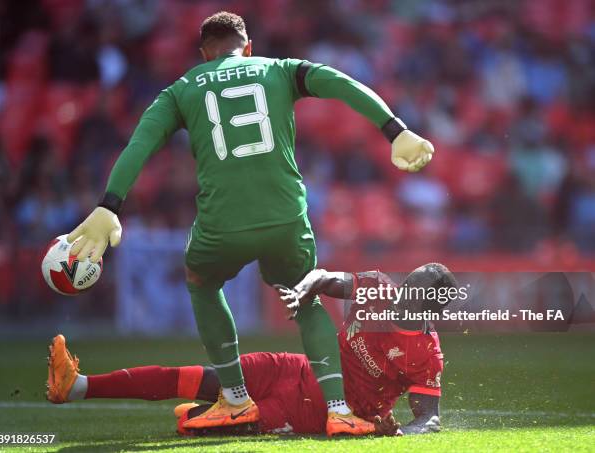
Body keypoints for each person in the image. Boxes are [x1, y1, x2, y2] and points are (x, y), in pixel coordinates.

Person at [64, 11, 435, 436]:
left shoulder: (180, 91)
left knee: (201, 282)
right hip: (285, 216)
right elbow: (340, 82)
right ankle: (338, 410)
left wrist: (109, 204)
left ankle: (237, 400)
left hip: (223, 222)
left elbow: (140, 145)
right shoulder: (279, 69)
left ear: (205, 55)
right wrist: (396, 130)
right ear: (249, 46)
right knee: (306, 293)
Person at [47, 263, 453, 436]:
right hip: (292, 368)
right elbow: (328, 277)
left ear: (428, 307)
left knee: (197, 426)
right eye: (408, 281)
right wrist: (306, 286)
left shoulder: (427, 354)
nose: (402, 293)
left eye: (413, 291)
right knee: (201, 376)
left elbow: (428, 420)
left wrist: (396, 430)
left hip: (323, 409)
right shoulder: (380, 287)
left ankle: (197, 417)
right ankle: (78, 385)